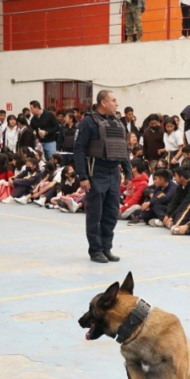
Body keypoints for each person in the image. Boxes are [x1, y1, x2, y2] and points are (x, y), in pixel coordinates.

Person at [73, 90, 132, 263]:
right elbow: (79, 150)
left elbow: (124, 150)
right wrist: (83, 176)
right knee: (95, 214)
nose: (117, 104)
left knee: (111, 214)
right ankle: (96, 251)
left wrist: (128, 173)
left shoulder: (119, 124)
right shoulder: (88, 122)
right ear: (103, 103)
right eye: (113, 100)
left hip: (114, 174)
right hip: (95, 173)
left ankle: (106, 248)